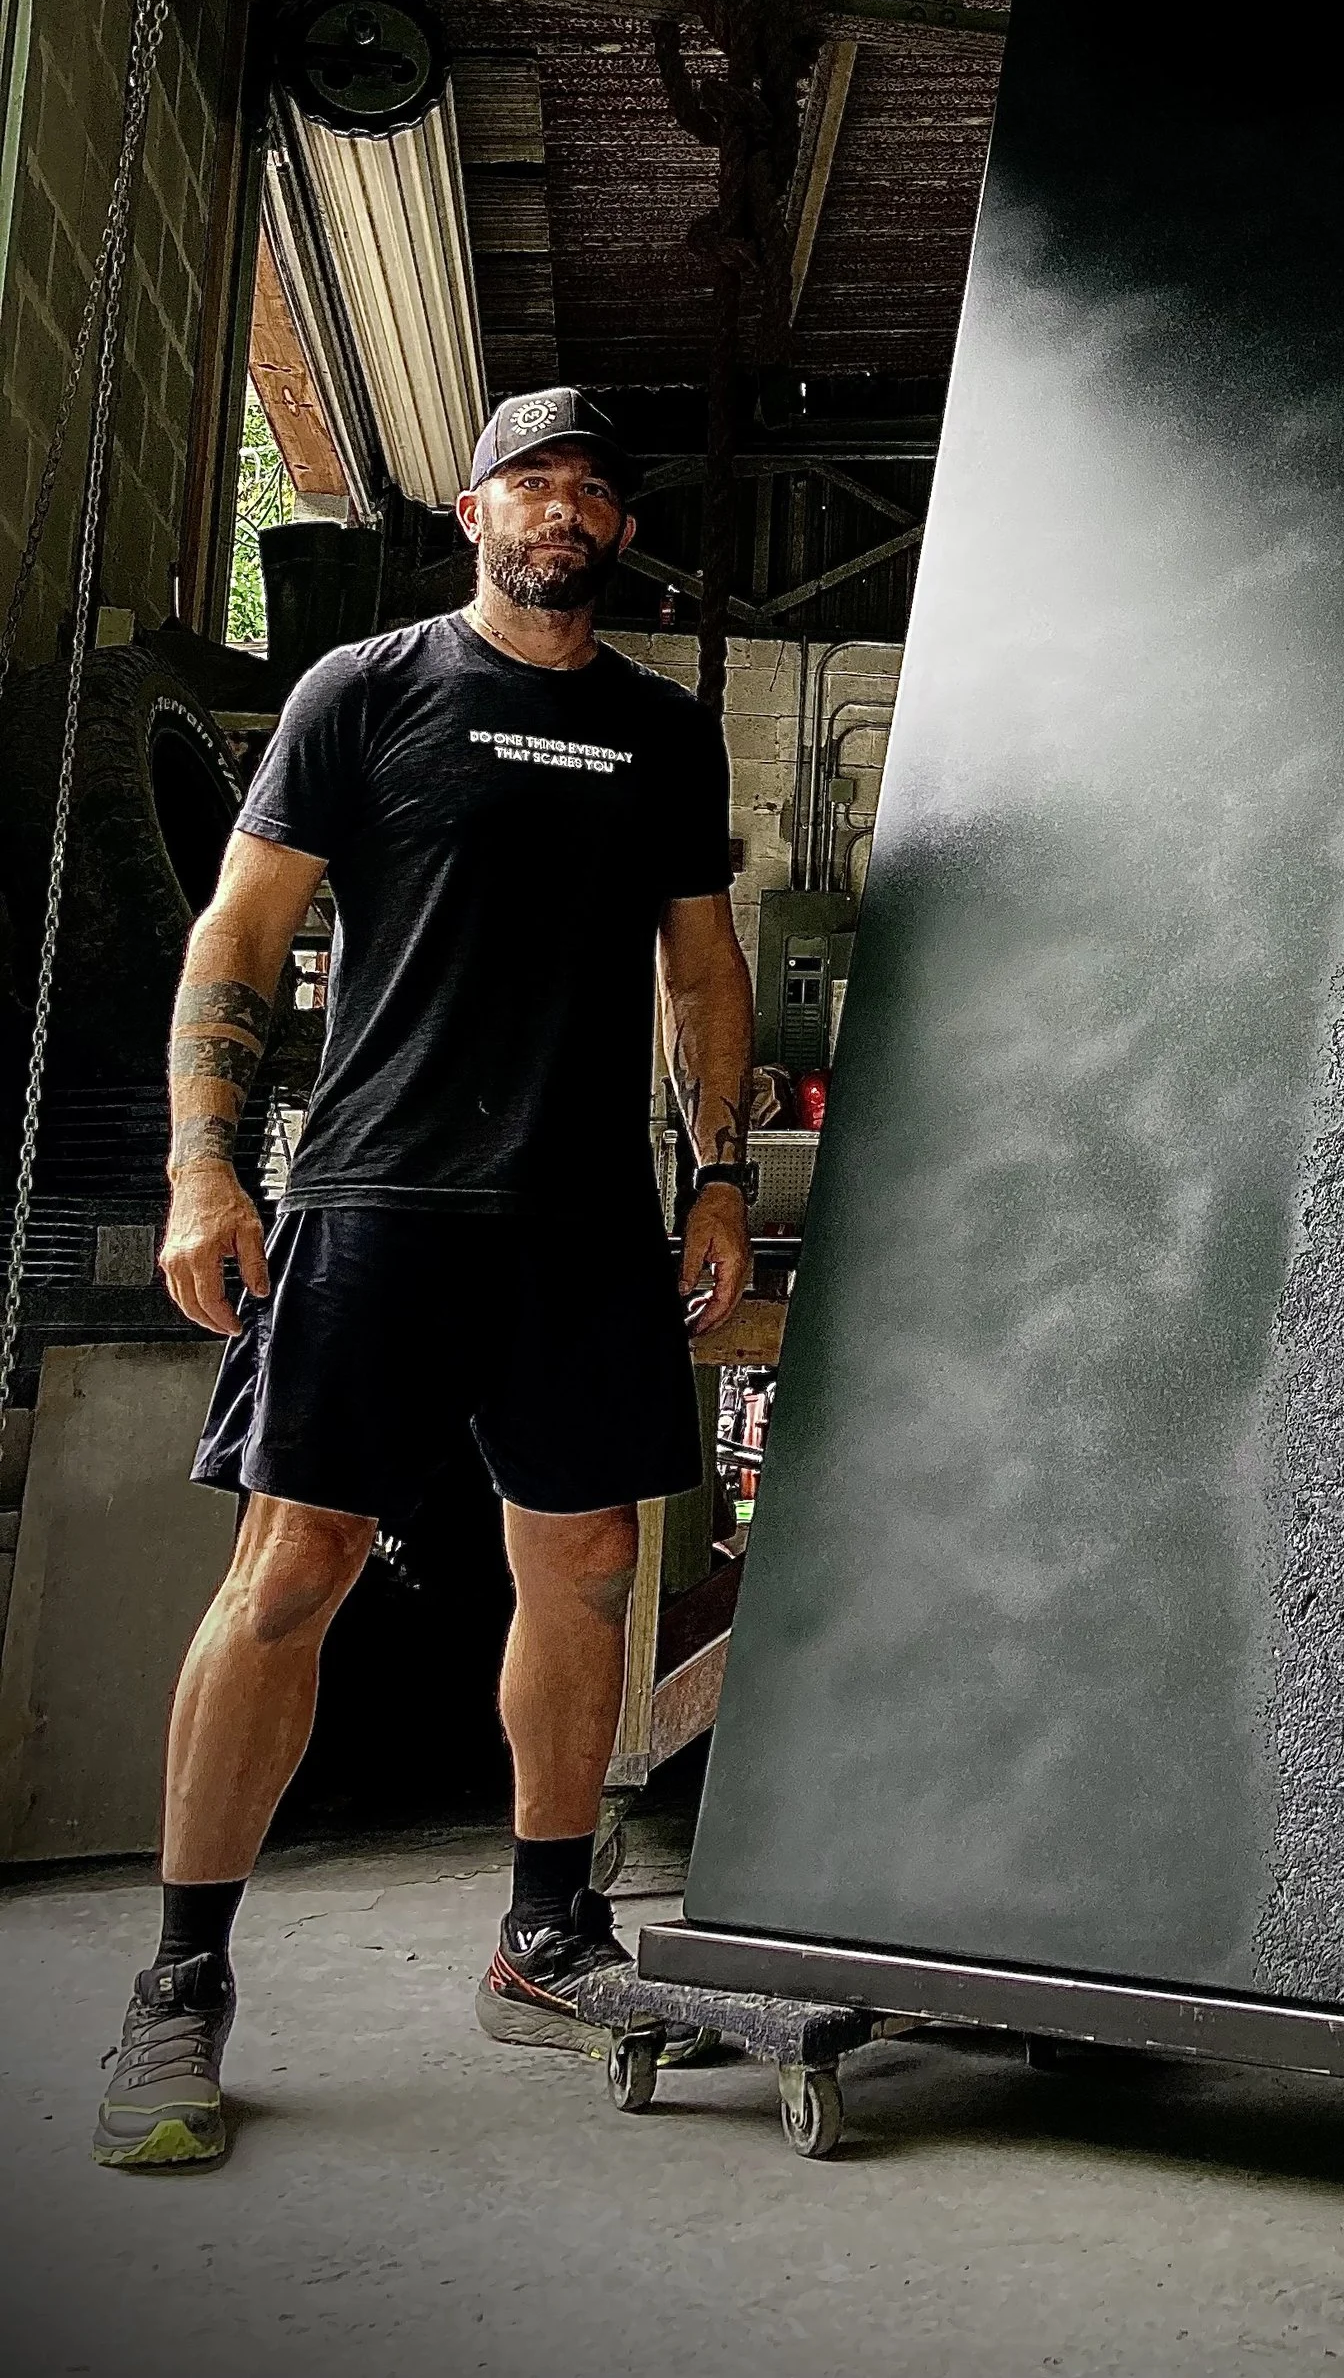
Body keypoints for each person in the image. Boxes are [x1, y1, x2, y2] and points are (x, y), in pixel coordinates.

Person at [94, 389, 757, 2172]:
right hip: (376, 1196)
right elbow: (239, 931)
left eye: (597, 490)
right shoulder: (365, 692)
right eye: (536, 482)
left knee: (592, 1562)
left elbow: (701, 972)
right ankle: (182, 1977)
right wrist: (203, 1162)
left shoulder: (661, 735)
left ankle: (545, 1938)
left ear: (616, 533)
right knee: (293, 1566)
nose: (570, 511)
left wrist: (714, 1175)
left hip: (578, 1216)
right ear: (473, 513)